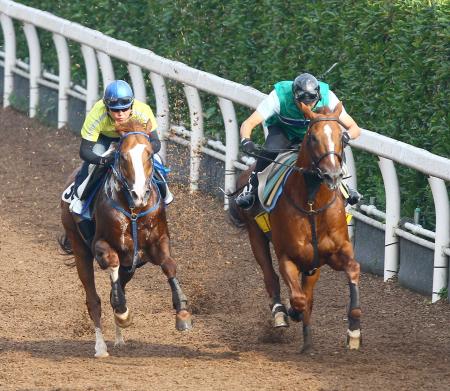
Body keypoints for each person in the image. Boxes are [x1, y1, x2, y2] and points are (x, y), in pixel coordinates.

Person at [235, 72, 362, 209]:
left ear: (318, 96)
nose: (308, 106)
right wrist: (246, 140)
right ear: (294, 96)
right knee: (269, 151)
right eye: (302, 102)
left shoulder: (329, 97)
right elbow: (248, 123)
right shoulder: (279, 97)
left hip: (315, 136)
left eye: (312, 101)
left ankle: (344, 186)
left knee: (333, 147)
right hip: (285, 131)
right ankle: (251, 188)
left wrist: (345, 137)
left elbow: (354, 128)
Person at [70, 80, 172, 241]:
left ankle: (165, 196)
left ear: (132, 105)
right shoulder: (97, 113)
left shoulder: (143, 111)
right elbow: (85, 151)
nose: (120, 114)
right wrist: (103, 161)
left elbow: (156, 143)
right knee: (92, 165)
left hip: (135, 140)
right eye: (115, 110)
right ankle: (81, 200)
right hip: (105, 139)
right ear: (106, 107)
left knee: (157, 159)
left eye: (124, 109)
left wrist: (141, 152)